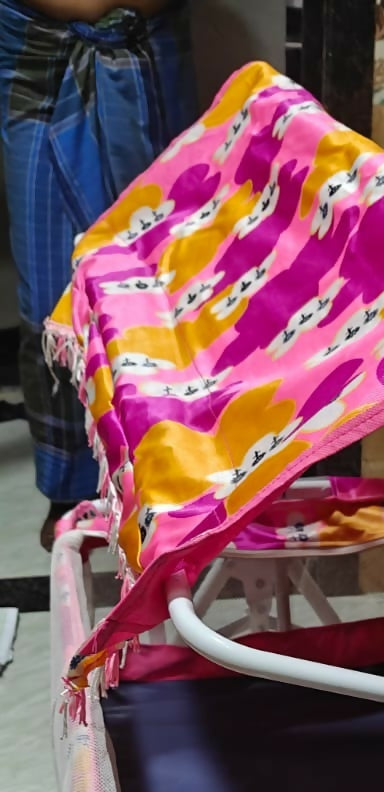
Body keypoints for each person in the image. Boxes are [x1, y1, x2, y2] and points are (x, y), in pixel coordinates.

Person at [0, 0, 196, 548]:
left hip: (148, 47)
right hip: (36, 53)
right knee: (49, 293)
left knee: (161, 284)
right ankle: (67, 487)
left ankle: (168, 477)